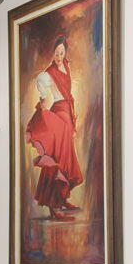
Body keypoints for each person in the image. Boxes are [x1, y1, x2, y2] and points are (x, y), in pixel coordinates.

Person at [23, 35, 83, 217]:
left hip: (68, 113)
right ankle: (54, 204)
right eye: (56, 53)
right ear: (52, 53)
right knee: (58, 158)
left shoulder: (66, 66)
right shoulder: (47, 74)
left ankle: (61, 199)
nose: (58, 56)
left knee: (65, 157)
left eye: (61, 53)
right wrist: (42, 109)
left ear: (65, 52)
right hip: (59, 112)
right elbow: (46, 98)